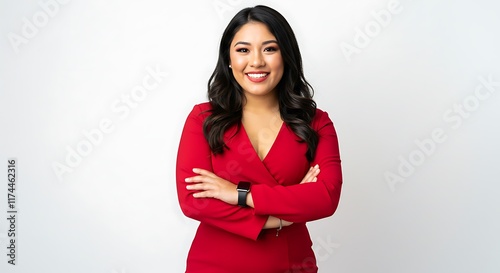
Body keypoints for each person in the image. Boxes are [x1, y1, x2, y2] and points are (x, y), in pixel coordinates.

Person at [176, 5, 342, 273]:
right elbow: (193, 201)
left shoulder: (316, 123)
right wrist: (280, 219)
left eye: (269, 49)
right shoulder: (203, 119)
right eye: (243, 50)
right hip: (214, 265)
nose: (256, 61)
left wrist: (238, 194)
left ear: (286, 56)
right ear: (228, 58)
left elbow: (325, 198)